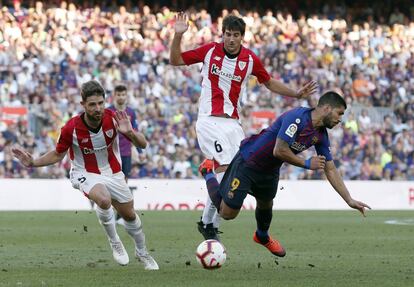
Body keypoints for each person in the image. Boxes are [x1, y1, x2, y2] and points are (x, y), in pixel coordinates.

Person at [170, 13, 318, 240]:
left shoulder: (249, 59)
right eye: (227, 34)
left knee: (233, 175)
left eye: (235, 35)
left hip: (234, 125)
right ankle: (209, 223)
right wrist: (178, 35)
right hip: (209, 120)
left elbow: (268, 81)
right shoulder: (210, 51)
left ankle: (208, 221)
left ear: (242, 37)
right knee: (224, 173)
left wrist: (295, 93)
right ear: (222, 35)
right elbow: (176, 60)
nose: (230, 39)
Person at [199, 91, 371, 256]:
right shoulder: (297, 118)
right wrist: (306, 163)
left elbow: (330, 168)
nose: (340, 119)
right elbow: (279, 150)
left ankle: (262, 236)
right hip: (248, 162)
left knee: (266, 204)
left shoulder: (320, 135)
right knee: (228, 214)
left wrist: (349, 200)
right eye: (339, 113)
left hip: (270, 170)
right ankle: (208, 172)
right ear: (327, 108)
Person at [12, 80, 159, 270]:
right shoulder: (70, 128)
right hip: (84, 172)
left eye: (100, 103)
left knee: (130, 216)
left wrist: (130, 133)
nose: (98, 108)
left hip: (113, 172)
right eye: (92, 104)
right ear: (83, 105)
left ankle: (142, 252)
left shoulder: (114, 118)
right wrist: (33, 162)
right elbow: (58, 154)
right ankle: (114, 241)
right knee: (104, 200)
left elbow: (143, 144)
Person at [108, 84, 140, 225]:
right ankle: (109, 211)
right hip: (111, 152)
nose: (121, 97)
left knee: (123, 183)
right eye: (118, 94)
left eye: (123, 95)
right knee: (110, 182)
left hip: (126, 152)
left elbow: (135, 132)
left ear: (126, 96)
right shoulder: (108, 111)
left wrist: (138, 150)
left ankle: (119, 215)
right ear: (114, 95)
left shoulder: (131, 112)